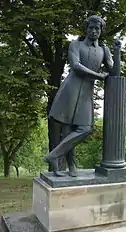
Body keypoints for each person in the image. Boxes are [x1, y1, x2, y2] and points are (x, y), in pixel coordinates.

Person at [45, 15, 113, 177]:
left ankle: (54, 155)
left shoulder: (104, 50)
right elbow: (75, 66)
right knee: (68, 129)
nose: (94, 31)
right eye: (91, 28)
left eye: (97, 28)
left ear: (101, 31)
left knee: (86, 128)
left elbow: (113, 70)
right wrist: (98, 76)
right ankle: (71, 165)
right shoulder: (75, 44)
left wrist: (115, 54)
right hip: (70, 89)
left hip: (86, 93)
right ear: (86, 29)